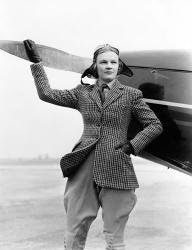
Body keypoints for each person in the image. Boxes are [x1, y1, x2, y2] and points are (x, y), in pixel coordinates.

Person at [23, 40, 163, 250]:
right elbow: (47, 94)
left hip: (116, 164)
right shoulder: (82, 93)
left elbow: (154, 124)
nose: (108, 66)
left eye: (113, 62)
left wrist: (131, 146)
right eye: (103, 62)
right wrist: (36, 63)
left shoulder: (131, 95)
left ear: (118, 67)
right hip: (83, 165)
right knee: (74, 231)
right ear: (95, 66)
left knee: (115, 238)